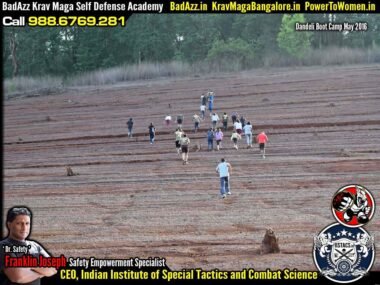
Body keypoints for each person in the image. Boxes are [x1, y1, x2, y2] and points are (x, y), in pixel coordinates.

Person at [0, 207, 57, 285]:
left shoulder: (35, 246)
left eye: (27, 223)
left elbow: (53, 268)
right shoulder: (3, 246)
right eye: (19, 223)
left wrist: (29, 266)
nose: (24, 228)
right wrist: (42, 272)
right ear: (9, 224)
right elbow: (18, 277)